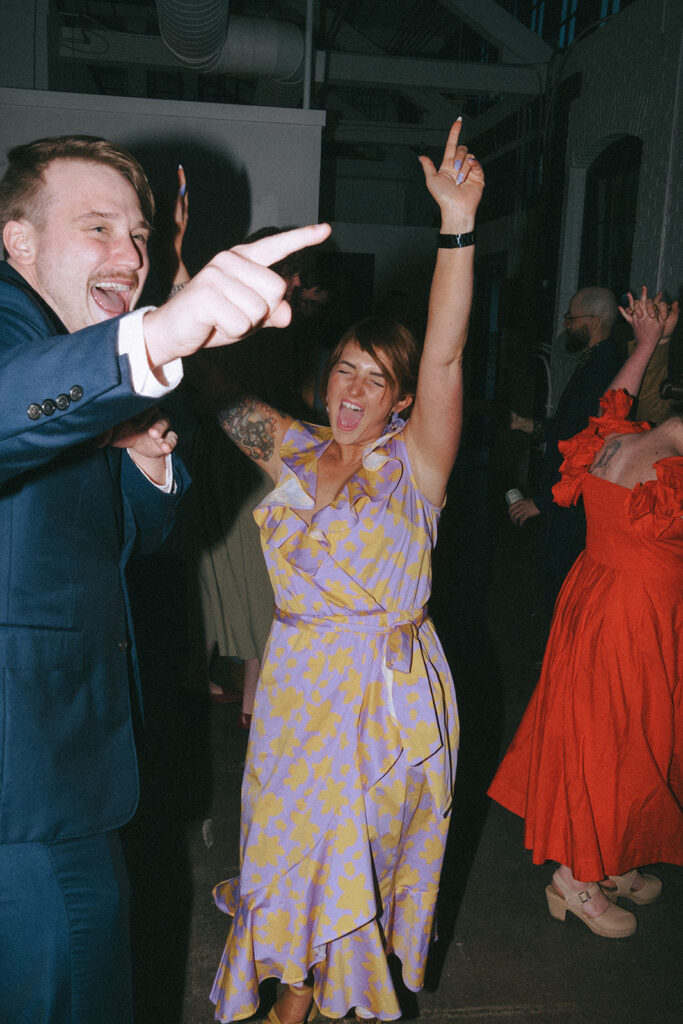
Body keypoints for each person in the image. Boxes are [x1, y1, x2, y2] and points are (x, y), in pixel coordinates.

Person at [0, 133, 330, 1023]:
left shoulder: (77, 357)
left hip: (62, 753)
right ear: (18, 244)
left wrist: (144, 467)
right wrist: (156, 335)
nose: (130, 256)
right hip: (24, 773)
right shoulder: (19, 330)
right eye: (97, 227)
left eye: (138, 235)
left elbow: (129, 540)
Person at [207, 118, 483, 1023]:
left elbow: (443, 350)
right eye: (345, 371)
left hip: (380, 696)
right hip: (294, 687)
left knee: (353, 850)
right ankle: (293, 984)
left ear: (401, 399)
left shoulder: (418, 467)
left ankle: (311, 1000)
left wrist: (454, 227)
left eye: (376, 379)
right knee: (289, 842)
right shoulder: (292, 449)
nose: (354, 390)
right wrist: (183, 290)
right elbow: (213, 395)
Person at [488, 288, 682, 938]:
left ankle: (611, 859)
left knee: (617, 737)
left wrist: (647, 343)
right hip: (631, 621)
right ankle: (574, 878)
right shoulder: (668, 466)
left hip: (595, 602)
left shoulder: (617, 438)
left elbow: (612, 401)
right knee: (616, 743)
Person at [508, 287, 628, 610]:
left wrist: (545, 503)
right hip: (565, 499)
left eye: (571, 318)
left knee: (564, 588)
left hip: (572, 503)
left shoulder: (605, 368)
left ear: (593, 321)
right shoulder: (596, 361)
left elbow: (591, 446)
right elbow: (572, 427)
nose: (566, 325)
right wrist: (528, 425)